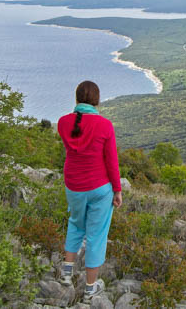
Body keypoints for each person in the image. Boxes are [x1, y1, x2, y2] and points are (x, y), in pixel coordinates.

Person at [56, 81, 122, 301]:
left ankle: (66, 273)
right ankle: (90, 288)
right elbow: (112, 162)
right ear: (97, 100)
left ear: (76, 99)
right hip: (100, 187)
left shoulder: (63, 123)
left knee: (75, 223)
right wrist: (117, 190)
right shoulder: (105, 125)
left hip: (74, 184)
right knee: (96, 235)